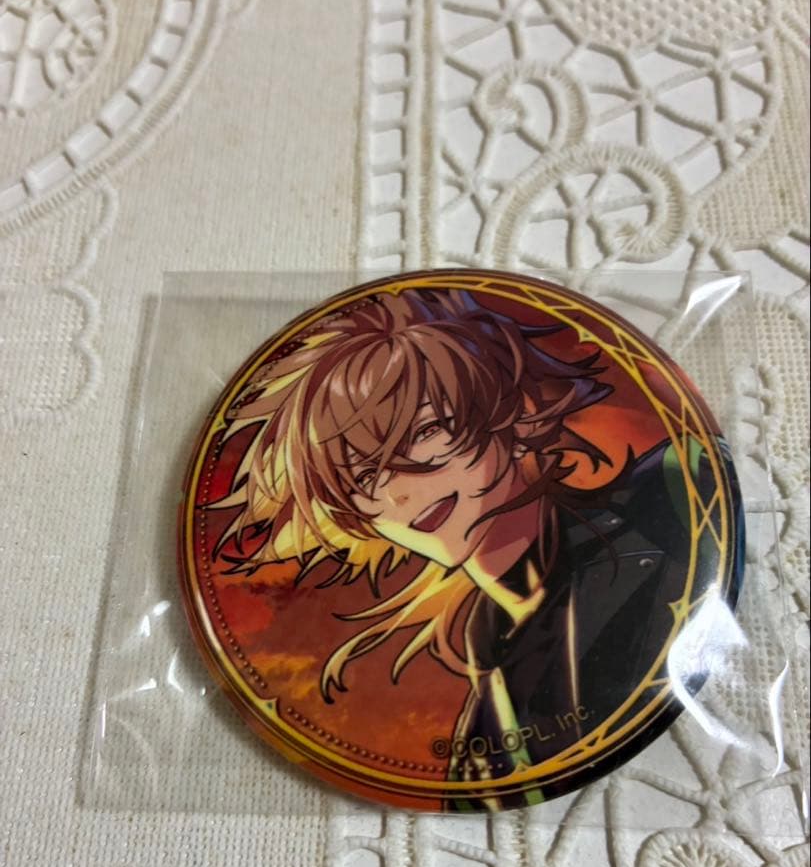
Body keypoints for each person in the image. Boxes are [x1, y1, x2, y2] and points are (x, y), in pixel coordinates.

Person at [212, 286, 726, 809]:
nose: (399, 489)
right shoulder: (488, 730)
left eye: (424, 432)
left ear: (512, 409)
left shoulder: (672, 492)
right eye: (364, 477)